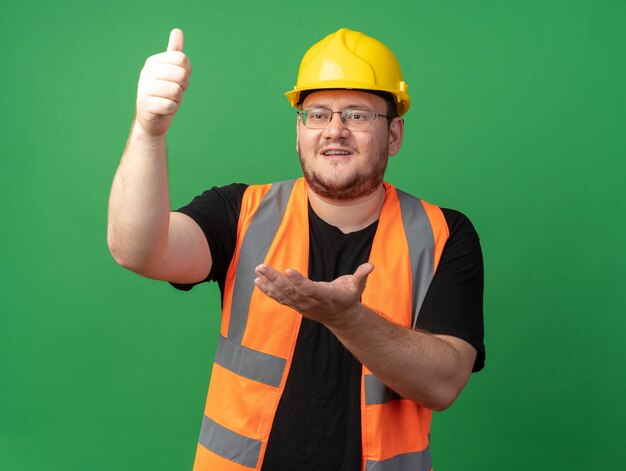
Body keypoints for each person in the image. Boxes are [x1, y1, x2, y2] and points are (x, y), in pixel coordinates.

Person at [108, 27, 485, 471]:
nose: (335, 131)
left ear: (395, 135)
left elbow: (443, 384)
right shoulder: (241, 212)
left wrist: (348, 319)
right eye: (318, 114)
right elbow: (138, 250)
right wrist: (149, 132)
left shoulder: (444, 234)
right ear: (299, 131)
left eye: (359, 115)